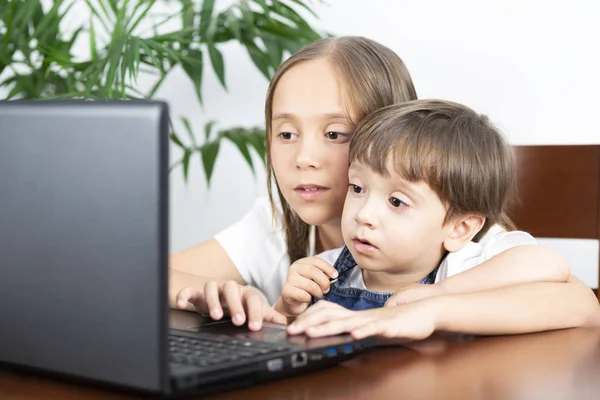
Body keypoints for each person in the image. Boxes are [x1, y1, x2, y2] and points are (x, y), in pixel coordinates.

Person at [170, 36, 596, 332]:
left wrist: (430, 305)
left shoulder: (454, 237)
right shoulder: (277, 220)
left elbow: (580, 304)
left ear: (388, 133)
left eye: (336, 134)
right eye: (286, 134)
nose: (303, 159)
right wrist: (211, 297)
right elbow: (146, 276)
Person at [282, 100, 600, 339]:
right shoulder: (332, 271)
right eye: (358, 187)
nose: (364, 214)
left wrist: (435, 300)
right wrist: (288, 309)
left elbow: (550, 267)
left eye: (396, 201)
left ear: (459, 228)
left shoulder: (463, 267)